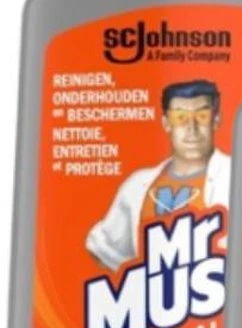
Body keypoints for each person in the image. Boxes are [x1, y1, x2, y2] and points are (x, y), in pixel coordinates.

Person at [86, 79, 229, 271]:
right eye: (180, 117)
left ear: (216, 120)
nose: (192, 128)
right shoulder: (137, 185)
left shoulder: (238, 177)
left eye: (202, 116)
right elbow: (102, 247)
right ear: (166, 123)